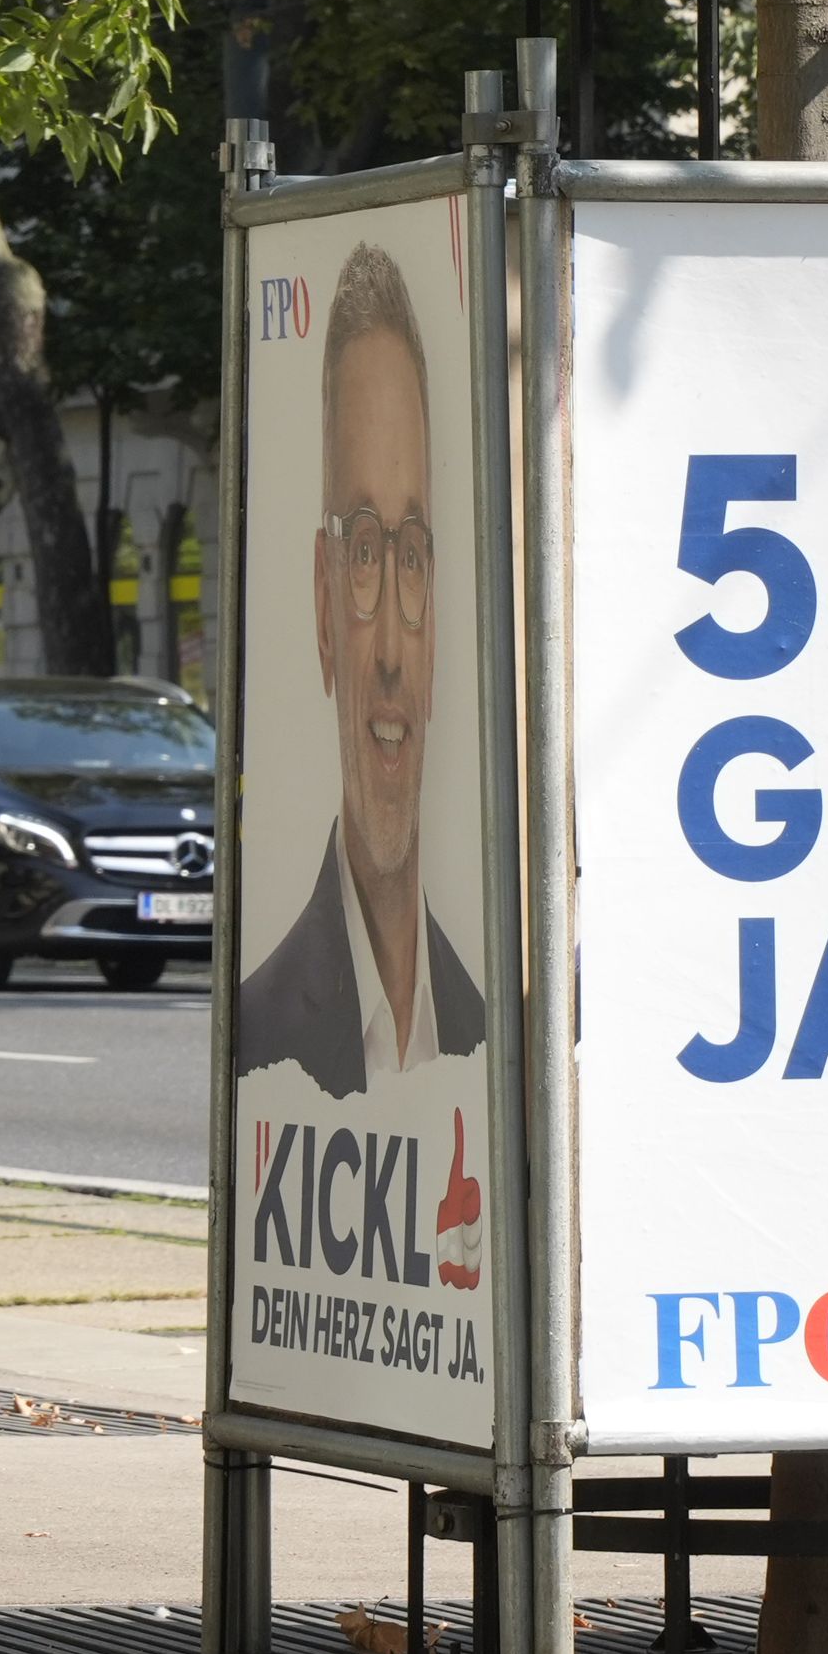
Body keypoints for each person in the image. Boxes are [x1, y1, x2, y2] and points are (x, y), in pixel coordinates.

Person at [235, 242, 486, 1104]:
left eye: (410, 558)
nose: (388, 649)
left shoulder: (488, 1034)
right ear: (321, 603)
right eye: (366, 552)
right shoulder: (258, 1035)